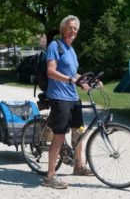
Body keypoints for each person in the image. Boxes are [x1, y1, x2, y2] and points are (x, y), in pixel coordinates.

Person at [42, 15, 95, 189]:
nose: (73, 31)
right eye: (70, 27)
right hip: (59, 97)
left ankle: (78, 166)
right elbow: (51, 71)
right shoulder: (54, 46)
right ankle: (50, 177)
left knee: (78, 132)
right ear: (63, 28)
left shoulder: (71, 50)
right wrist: (71, 80)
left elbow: (74, 74)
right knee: (59, 136)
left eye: (75, 29)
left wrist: (85, 81)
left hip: (73, 97)